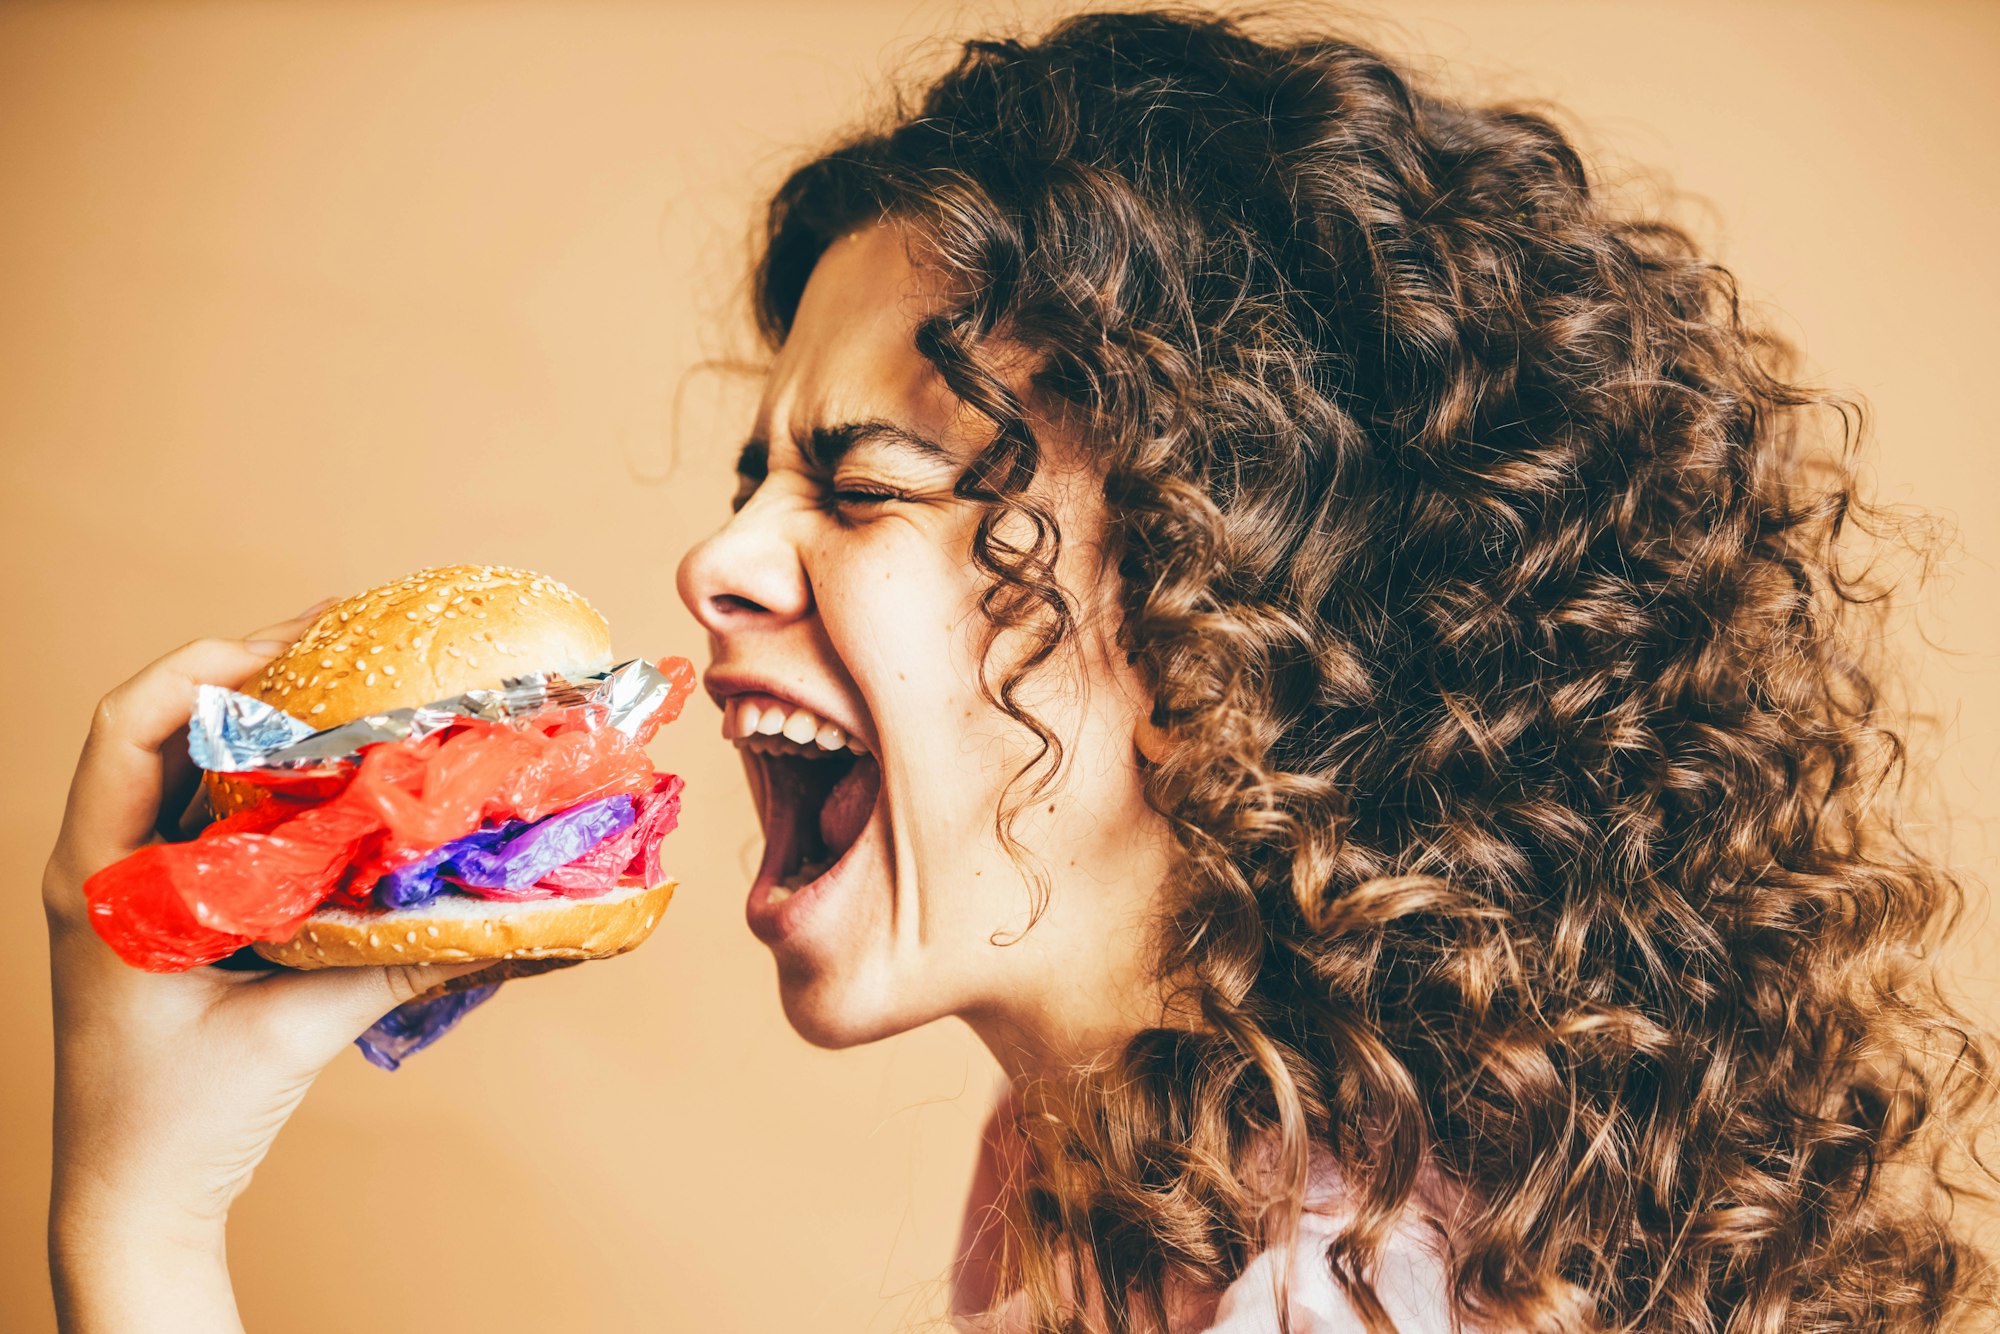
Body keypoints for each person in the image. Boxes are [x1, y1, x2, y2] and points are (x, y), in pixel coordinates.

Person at [43, 8, 1996, 1332]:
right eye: (752, 474)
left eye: (855, 482)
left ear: (1223, 592)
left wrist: (136, 1223)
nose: (716, 556)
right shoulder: (1119, 1166)